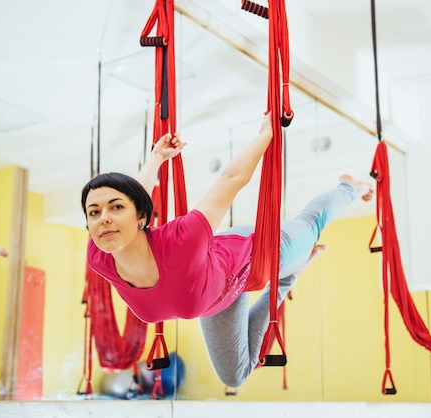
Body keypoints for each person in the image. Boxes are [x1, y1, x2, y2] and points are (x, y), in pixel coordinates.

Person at [81, 113, 374, 388]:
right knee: (235, 376)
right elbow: (133, 199)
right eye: (93, 212)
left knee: (310, 228)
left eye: (115, 208)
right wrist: (156, 158)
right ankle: (290, 277)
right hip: (215, 295)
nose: (103, 217)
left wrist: (264, 136)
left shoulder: (183, 239)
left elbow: (230, 180)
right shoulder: (98, 256)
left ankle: (348, 187)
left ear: (141, 216)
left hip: (250, 254)